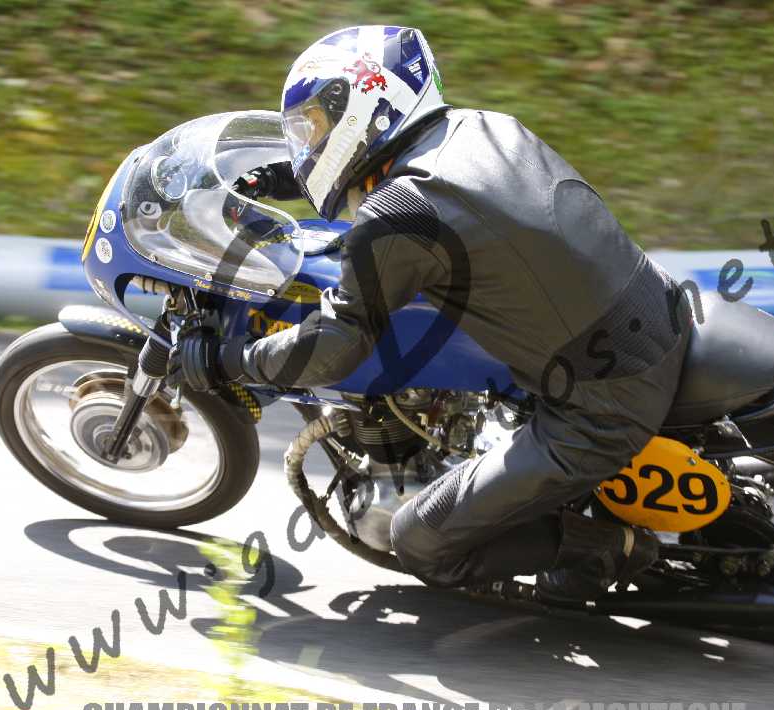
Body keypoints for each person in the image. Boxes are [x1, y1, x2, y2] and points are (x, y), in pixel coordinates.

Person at [196, 25, 692, 600]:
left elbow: (339, 342)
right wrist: (282, 176)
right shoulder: (482, 127)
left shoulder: (396, 213)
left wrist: (232, 361)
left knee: (421, 542)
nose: (312, 142)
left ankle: (610, 550)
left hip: (603, 405)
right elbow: (388, 184)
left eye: (317, 126)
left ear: (362, 114)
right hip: (652, 307)